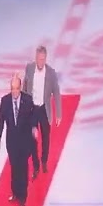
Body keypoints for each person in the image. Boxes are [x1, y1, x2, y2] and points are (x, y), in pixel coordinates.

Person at [0, 74, 34, 206]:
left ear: (20, 87)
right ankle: (15, 193)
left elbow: (32, 119)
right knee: (14, 168)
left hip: (24, 142)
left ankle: (23, 197)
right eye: (12, 89)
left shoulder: (28, 100)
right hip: (11, 142)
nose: (15, 92)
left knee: (22, 170)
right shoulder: (5, 101)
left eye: (17, 88)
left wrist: (34, 129)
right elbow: (0, 120)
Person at [22, 45, 61, 178]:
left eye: (43, 59)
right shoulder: (29, 68)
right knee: (32, 139)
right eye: (39, 59)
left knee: (46, 137)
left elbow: (56, 92)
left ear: (46, 59)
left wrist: (59, 113)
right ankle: (36, 165)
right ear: (35, 58)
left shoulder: (51, 72)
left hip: (44, 108)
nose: (40, 62)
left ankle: (44, 161)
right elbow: (25, 88)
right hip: (32, 108)